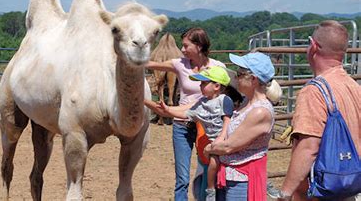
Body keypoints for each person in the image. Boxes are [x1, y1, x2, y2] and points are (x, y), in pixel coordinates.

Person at [275, 20, 361, 200]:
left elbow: (308, 147)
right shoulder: (353, 86)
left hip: (322, 190)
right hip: (349, 186)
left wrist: (286, 192)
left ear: (313, 46)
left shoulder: (313, 92)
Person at [146, 28, 225, 200]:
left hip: (207, 126)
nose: (182, 49)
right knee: (182, 177)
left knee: (207, 170)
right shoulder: (179, 64)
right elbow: (149, 64)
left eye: (185, 45)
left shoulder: (218, 68)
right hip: (182, 124)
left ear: (199, 46)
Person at [203, 52, 282, 201]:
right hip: (230, 175)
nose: (236, 78)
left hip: (242, 180)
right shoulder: (246, 102)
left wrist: (209, 149)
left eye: (239, 74)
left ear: (253, 79)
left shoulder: (260, 111)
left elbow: (229, 147)